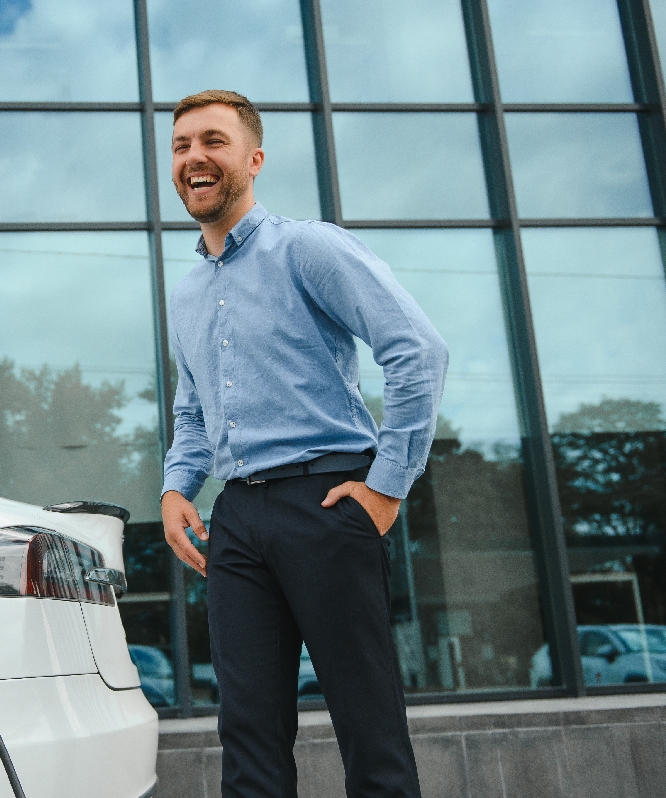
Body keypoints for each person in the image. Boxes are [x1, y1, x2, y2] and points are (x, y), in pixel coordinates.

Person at [160, 89, 448, 798]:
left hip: (327, 501)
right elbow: (192, 411)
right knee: (249, 739)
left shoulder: (308, 247)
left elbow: (417, 351)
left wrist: (386, 488)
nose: (194, 157)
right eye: (181, 145)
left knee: (369, 730)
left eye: (213, 142)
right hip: (237, 522)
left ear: (253, 160)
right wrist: (175, 488)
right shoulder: (187, 292)